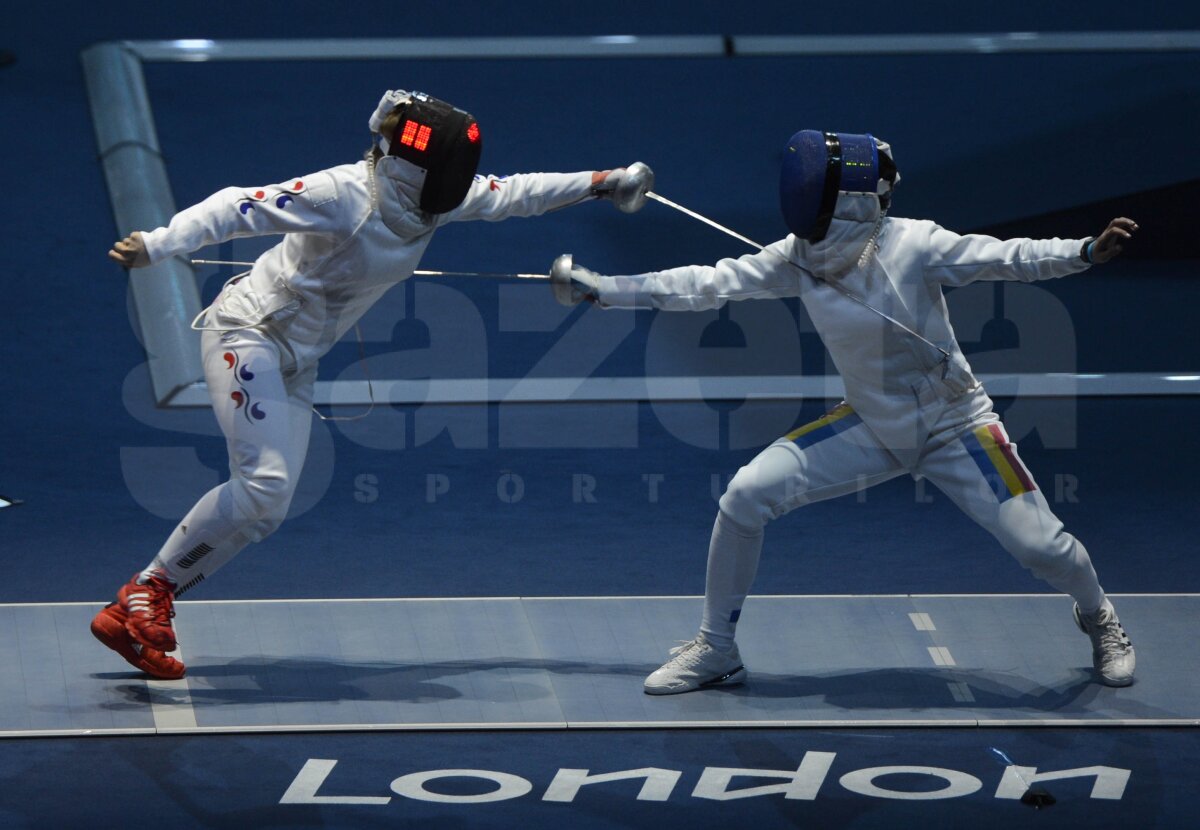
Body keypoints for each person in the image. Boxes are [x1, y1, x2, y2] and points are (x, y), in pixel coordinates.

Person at [553, 129, 1138, 693]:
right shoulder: (797, 257)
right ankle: (715, 649)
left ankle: (1099, 615)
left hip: (958, 424)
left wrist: (1084, 251)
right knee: (744, 496)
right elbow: (705, 283)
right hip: (872, 424)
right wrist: (606, 289)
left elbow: (1008, 258)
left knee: (1042, 548)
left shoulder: (916, 243)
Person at [93, 89, 644, 679]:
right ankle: (146, 593)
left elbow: (515, 193)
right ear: (418, 165)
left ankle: (143, 602)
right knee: (264, 484)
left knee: (268, 506)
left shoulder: (433, 201)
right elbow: (239, 206)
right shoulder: (345, 193)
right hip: (246, 334)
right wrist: (158, 244)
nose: (463, 179)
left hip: (298, 361)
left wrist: (600, 181)